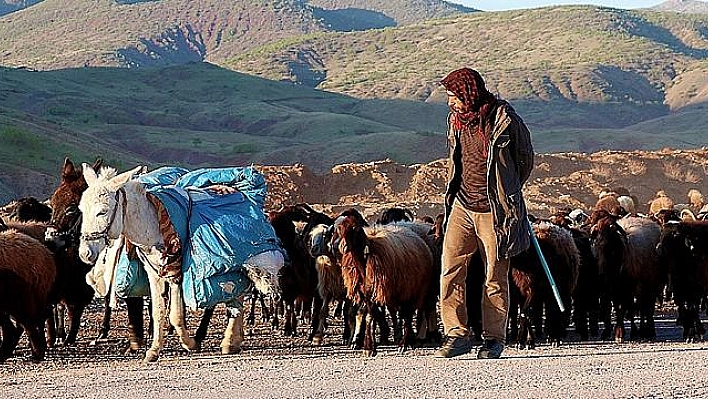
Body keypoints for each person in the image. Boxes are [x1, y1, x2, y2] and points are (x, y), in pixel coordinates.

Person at [434, 68, 534, 359]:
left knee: (494, 274)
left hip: (494, 210)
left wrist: (507, 190)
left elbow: (525, 159)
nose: (450, 102)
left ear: (469, 94)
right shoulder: (455, 121)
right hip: (461, 206)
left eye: (454, 96)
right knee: (450, 269)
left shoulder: (503, 118)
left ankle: (493, 338)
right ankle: (457, 334)